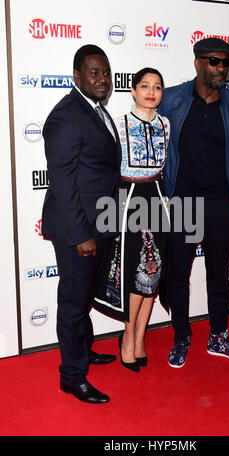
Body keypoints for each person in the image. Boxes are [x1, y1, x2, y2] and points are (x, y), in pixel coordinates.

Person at [157, 37, 229, 367]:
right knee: (178, 276)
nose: (221, 68)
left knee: (218, 274)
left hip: (219, 204)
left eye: (227, 62)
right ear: (197, 62)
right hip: (183, 201)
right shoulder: (171, 99)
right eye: (214, 61)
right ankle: (181, 337)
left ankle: (218, 337)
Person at [41, 44, 122, 403]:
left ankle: (83, 350)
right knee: (73, 302)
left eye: (105, 72)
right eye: (94, 72)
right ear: (77, 76)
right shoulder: (67, 116)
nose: (102, 79)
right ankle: (72, 376)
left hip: (98, 223)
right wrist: (81, 235)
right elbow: (61, 181)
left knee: (85, 295)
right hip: (79, 230)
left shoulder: (96, 111)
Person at [93, 68, 170, 372]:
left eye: (157, 87)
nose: (151, 91)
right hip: (130, 199)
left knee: (153, 274)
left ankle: (140, 338)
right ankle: (127, 337)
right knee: (135, 271)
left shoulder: (166, 124)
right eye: (145, 86)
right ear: (134, 91)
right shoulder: (119, 125)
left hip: (159, 196)